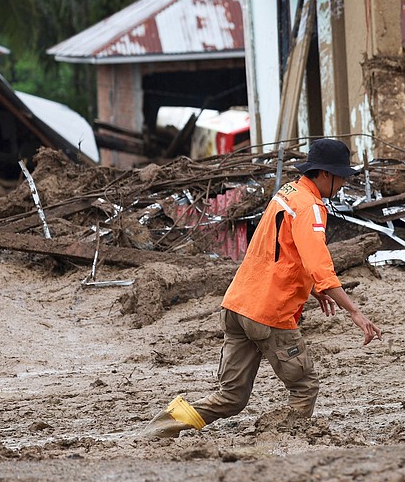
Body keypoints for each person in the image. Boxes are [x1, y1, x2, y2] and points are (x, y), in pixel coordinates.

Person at [143, 138, 382, 438]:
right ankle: (281, 442)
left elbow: (282, 253)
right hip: (269, 312)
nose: (344, 183)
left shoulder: (287, 193)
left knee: (231, 398)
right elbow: (319, 264)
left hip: (237, 305)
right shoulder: (310, 207)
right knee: (305, 387)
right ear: (323, 174)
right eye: (342, 177)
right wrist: (355, 313)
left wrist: (313, 289)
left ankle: (161, 428)